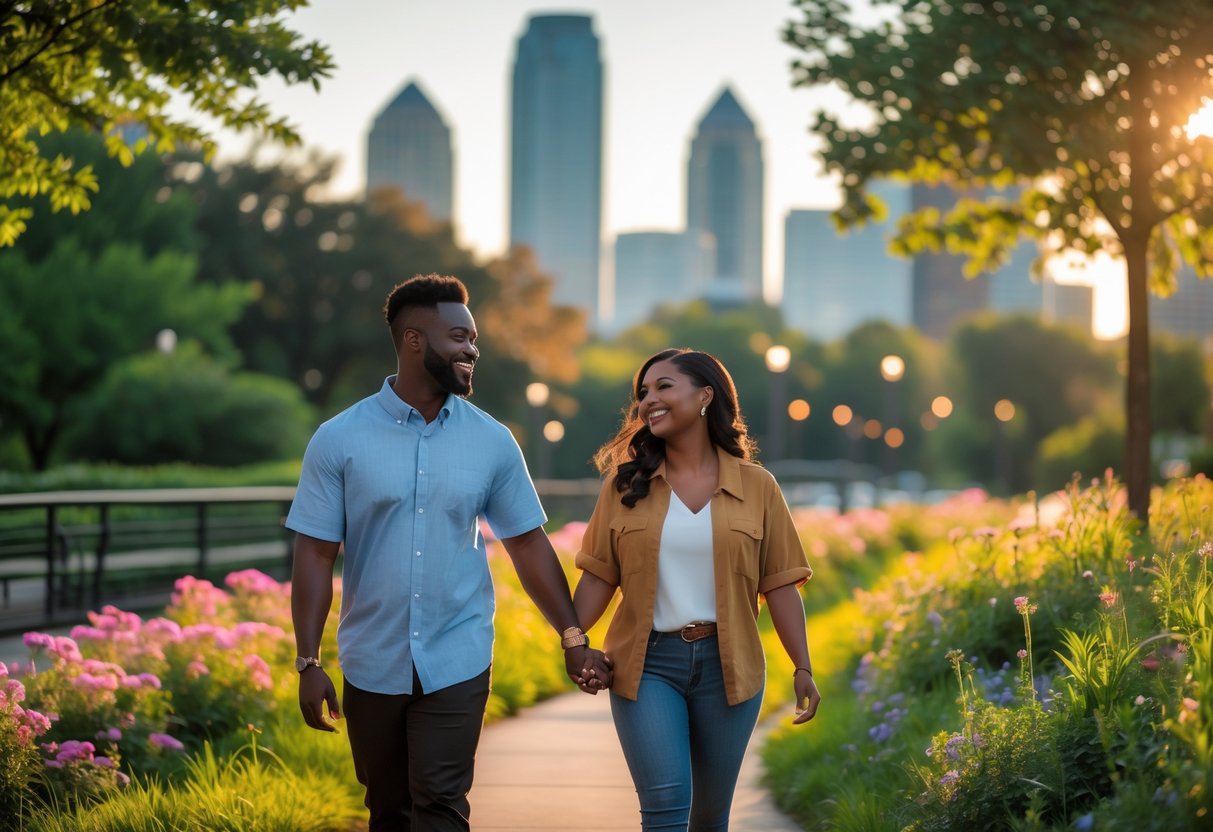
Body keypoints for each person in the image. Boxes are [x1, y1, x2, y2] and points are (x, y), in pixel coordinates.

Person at [288, 273, 612, 832]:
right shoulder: (338, 439)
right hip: (371, 658)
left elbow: (527, 543)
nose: (472, 350)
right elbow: (315, 554)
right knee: (389, 809)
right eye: (459, 337)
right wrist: (308, 660)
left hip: (457, 656)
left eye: (474, 339)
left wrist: (573, 637)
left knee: (440, 803)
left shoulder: (492, 440)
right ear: (414, 340)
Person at [572, 347, 821, 831]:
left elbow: (783, 584)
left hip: (730, 668)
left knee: (709, 818)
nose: (648, 400)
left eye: (663, 386)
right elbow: (599, 575)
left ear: (706, 396)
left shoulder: (758, 486)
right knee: (665, 809)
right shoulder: (625, 486)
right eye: (643, 392)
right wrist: (574, 642)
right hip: (647, 666)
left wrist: (803, 666)